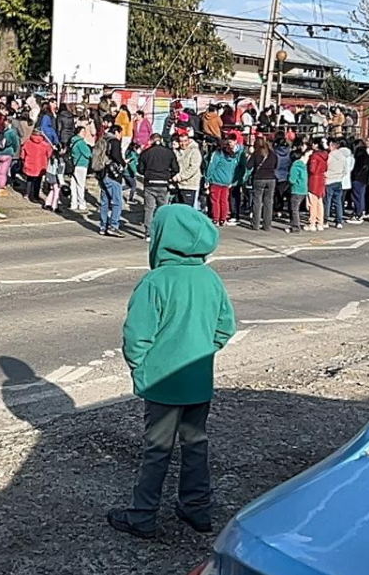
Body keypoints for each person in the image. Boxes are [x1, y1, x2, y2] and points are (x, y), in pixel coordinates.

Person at [107, 204, 237, 539]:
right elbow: (226, 327)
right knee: (196, 444)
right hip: (198, 378)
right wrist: (204, 350)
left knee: (157, 450)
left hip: (164, 381)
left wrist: (142, 367)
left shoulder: (155, 281)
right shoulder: (210, 278)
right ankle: (197, 508)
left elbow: (137, 336)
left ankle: (142, 515)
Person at [138, 133, 180, 239]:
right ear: (161, 140)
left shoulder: (146, 153)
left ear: (151, 141)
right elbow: (176, 168)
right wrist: (168, 175)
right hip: (163, 183)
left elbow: (140, 169)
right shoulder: (169, 153)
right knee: (163, 209)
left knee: (149, 208)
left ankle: (148, 231)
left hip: (150, 183)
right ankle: (162, 230)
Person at [97, 125, 128, 237]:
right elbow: (116, 155)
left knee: (104, 201)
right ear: (116, 132)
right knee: (117, 202)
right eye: (120, 133)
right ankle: (113, 226)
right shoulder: (114, 141)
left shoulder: (102, 139)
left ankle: (103, 225)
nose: (121, 136)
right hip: (112, 174)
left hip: (101, 173)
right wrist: (123, 163)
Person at [206, 138, 241, 226]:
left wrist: (207, 178)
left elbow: (211, 167)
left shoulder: (217, 155)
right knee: (224, 200)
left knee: (215, 200)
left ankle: (216, 219)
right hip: (227, 181)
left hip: (216, 180)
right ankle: (223, 219)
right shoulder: (233, 156)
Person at [249, 137, 278, 231]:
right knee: (268, 202)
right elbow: (276, 165)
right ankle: (267, 225)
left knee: (257, 201)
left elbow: (248, 166)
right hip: (271, 178)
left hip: (259, 178)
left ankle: (255, 224)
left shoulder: (256, 153)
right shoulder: (272, 154)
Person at [20, 126, 53, 203]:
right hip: (40, 165)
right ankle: (35, 196)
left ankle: (27, 194)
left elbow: (22, 154)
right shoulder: (45, 144)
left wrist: (23, 159)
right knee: (38, 181)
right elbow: (49, 154)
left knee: (29, 179)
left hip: (29, 163)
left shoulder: (27, 142)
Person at [325, 138, 351, 229]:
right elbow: (345, 170)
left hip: (329, 180)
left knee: (327, 201)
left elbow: (325, 167)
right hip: (338, 180)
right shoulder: (343, 157)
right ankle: (339, 221)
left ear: (331, 145)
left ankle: (325, 220)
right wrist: (340, 176)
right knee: (338, 202)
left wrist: (326, 175)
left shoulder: (329, 156)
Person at [173, 129, 203, 209]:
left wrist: (180, 177)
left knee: (187, 209)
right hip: (178, 185)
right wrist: (174, 149)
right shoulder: (177, 151)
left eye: (185, 141)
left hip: (189, 185)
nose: (183, 144)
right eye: (181, 141)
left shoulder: (194, 151)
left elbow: (193, 168)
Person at [69, 126, 93, 212]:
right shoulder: (81, 142)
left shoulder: (72, 141)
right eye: (83, 131)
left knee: (73, 185)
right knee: (80, 185)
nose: (85, 133)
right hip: (81, 164)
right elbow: (88, 154)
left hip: (73, 164)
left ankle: (73, 203)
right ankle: (81, 204)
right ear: (78, 132)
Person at [306, 139, 328, 231]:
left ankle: (312, 223)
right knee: (319, 202)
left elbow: (312, 169)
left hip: (314, 179)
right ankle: (320, 223)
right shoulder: (325, 155)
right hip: (321, 179)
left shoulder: (314, 156)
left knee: (312, 203)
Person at [349, 137, 369, 223]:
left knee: (357, 196)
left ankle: (358, 214)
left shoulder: (360, 154)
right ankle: (360, 211)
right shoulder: (365, 154)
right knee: (360, 195)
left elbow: (360, 167)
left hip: (358, 178)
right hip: (363, 178)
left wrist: (355, 175)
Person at [287, 146, 308, 234]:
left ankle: (295, 227)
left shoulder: (294, 167)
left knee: (294, 209)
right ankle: (294, 225)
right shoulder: (303, 166)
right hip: (303, 190)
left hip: (296, 189)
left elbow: (292, 180)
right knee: (296, 209)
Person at [44, 143, 67, 213]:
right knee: (57, 191)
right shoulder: (60, 161)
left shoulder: (52, 157)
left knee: (52, 190)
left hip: (49, 175)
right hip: (55, 177)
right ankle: (54, 206)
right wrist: (62, 182)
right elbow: (59, 173)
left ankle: (47, 203)